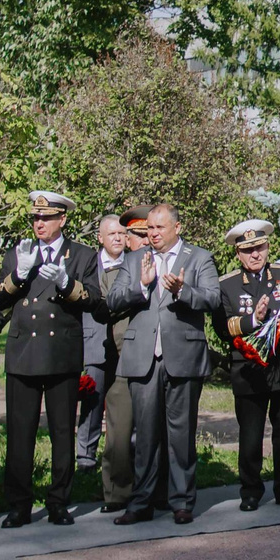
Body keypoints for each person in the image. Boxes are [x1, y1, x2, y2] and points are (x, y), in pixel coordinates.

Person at [0, 191, 102, 528]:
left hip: (60, 354)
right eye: (36, 218)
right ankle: (19, 504)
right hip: (24, 353)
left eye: (46, 218)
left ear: (62, 220)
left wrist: (68, 284)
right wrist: (19, 275)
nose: (39, 223)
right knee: (20, 433)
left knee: (61, 431)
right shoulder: (19, 253)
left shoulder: (81, 255)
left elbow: (95, 300)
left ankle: (58, 501)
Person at [107, 201, 222, 525]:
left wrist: (183, 290)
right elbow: (113, 301)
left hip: (182, 357)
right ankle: (141, 502)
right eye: (149, 229)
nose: (152, 234)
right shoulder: (134, 259)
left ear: (177, 228)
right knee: (143, 435)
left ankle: (182, 501)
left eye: (159, 228)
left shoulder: (198, 258)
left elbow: (213, 299)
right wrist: (141, 285)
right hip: (143, 358)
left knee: (181, 434)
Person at [216, 219, 280, 512]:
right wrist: (254, 321)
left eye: (259, 248)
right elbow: (223, 326)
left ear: (269, 247)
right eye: (247, 250)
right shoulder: (228, 284)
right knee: (251, 434)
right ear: (238, 254)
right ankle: (250, 491)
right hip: (249, 369)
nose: (255, 255)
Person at [77, 211, 138, 491]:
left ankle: (127, 454)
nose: (117, 238)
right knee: (92, 403)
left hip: (124, 346)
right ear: (100, 238)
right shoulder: (89, 265)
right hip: (94, 344)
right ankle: (85, 458)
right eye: (111, 233)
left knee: (124, 405)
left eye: (121, 233)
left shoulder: (133, 265)